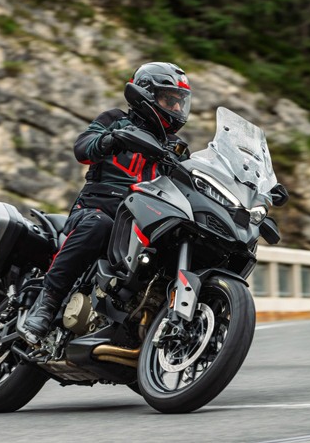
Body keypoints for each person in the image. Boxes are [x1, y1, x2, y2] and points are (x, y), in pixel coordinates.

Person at [22, 62, 193, 342]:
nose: (176, 108)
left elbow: (190, 181)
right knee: (99, 225)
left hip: (144, 218)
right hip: (97, 208)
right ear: (147, 95)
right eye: (169, 99)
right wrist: (109, 141)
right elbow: (82, 148)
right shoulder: (115, 120)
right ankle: (46, 303)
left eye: (179, 102)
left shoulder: (176, 147)